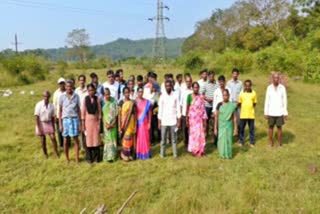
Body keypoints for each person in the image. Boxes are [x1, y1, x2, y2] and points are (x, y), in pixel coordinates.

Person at [59, 81, 82, 163]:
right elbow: (60, 111)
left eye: (70, 86)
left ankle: (76, 158)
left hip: (74, 119)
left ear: (73, 87)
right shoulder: (62, 97)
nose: (69, 88)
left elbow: (79, 110)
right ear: (65, 87)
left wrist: (80, 124)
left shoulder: (76, 96)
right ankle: (67, 158)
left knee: (76, 139)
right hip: (65, 120)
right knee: (65, 140)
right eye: (67, 86)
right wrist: (60, 124)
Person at [264, 72, 288, 147]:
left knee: (279, 128)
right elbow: (266, 100)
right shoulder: (269, 88)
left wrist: (285, 112)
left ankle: (279, 143)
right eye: (275, 77)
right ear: (272, 78)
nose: (276, 79)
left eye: (277, 78)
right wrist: (266, 112)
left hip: (279, 112)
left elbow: (285, 100)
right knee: (270, 127)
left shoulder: (282, 88)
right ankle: (271, 143)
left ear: (279, 79)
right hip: (271, 112)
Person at [158, 80, 181, 158]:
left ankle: (175, 154)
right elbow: (160, 110)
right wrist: (159, 121)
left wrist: (178, 121)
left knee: (174, 140)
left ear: (172, 86)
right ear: (165, 87)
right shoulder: (162, 96)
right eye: (166, 86)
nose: (168, 87)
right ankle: (162, 154)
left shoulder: (175, 95)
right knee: (163, 140)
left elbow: (178, 108)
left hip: (173, 121)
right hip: (164, 121)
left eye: (169, 86)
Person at [34, 91, 59, 159]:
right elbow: (36, 116)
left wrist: (53, 126)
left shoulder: (51, 105)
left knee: (53, 138)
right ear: (43, 96)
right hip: (41, 122)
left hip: (49, 122)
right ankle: (45, 154)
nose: (46, 98)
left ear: (49, 97)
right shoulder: (39, 105)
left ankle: (56, 153)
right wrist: (38, 127)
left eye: (47, 96)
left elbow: (53, 116)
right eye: (45, 96)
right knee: (43, 140)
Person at [214, 89, 237, 159]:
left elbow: (234, 118)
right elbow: (216, 117)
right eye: (224, 95)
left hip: (229, 125)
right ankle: (222, 154)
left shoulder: (232, 106)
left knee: (228, 140)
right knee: (221, 140)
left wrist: (236, 128)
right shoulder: (219, 105)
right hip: (221, 125)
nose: (225, 97)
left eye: (226, 95)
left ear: (229, 96)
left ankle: (228, 154)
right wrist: (215, 128)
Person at [82, 84, 102, 163]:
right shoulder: (85, 99)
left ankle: (97, 158)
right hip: (87, 123)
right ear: (87, 91)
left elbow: (100, 112)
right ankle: (89, 158)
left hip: (95, 122)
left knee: (96, 140)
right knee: (88, 141)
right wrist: (83, 125)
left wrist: (99, 123)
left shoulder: (97, 99)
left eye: (92, 90)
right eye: (89, 90)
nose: (91, 92)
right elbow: (83, 112)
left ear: (94, 90)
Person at [186, 82, 208, 157]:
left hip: (199, 120)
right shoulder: (189, 96)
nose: (196, 89)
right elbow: (187, 108)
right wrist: (187, 120)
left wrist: (204, 121)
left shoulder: (201, 97)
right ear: (192, 88)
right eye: (194, 87)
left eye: (197, 87)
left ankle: (201, 151)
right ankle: (195, 150)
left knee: (200, 135)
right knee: (193, 136)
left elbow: (203, 109)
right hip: (192, 120)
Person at [212, 75, 231, 146]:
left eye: (222, 82)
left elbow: (230, 100)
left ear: (225, 82)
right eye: (220, 82)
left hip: (226, 110)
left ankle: (224, 141)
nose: (221, 83)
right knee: (217, 126)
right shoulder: (216, 91)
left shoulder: (228, 90)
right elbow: (214, 102)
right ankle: (216, 142)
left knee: (225, 126)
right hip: (218, 110)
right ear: (218, 82)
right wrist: (214, 111)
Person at [118, 87, 137, 161]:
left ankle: (130, 154)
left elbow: (135, 114)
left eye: (128, 92)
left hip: (131, 123)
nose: (127, 94)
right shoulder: (121, 102)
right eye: (125, 92)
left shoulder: (132, 102)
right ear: (123, 93)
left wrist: (135, 125)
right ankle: (124, 154)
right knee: (125, 139)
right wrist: (120, 126)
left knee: (131, 139)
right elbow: (119, 115)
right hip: (124, 124)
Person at [238, 80, 257, 147]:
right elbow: (239, 103)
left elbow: (254, 103)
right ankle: (241, 141)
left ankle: (252, 142)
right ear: (244, 86)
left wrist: (250, 108)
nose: (248, 87)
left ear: (250, 85)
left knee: (251, 129)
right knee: (241, 129)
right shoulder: (241, 93)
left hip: (251, 115)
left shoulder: (254, 93)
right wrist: (244, 108)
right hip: (243, 114)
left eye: (249, 85)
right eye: (246, 85)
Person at [102, 88, 118, 162]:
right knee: (107, 140)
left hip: (113, 125)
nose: (107, 96)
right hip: (106, 125)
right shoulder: (102, 102)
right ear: (104, 95)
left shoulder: (114, 102)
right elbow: (102, 115)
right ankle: (108, 156)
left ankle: (113, 156)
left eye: (108, 94)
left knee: (113, 139)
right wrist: (106, 124)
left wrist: (112, 124)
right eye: (106, 94)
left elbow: (116, 114)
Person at [136, 87, 152, 160]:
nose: (140, 93)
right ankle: (139, 153)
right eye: (139, 92)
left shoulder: (146, 102)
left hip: (145, 122)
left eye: (142, 92)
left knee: (145, 137)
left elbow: (149, 112)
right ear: (137, 92)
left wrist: (149, 122)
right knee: (139, 138)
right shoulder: (135, 102)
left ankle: (146, 153)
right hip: (138, 122)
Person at [201, 71, 219, 136]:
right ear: (208, 77)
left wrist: (214, 99)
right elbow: (201, 94)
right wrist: (207, 99)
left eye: (212, 76)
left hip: (215, 106)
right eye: (210, 76)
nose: (211, 78)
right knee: (206, 121)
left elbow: (218, 94)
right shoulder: (205, 84)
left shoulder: (217, 84)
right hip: (207, 105)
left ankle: (215, 135)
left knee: (215, 121)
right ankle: (206, 135)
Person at [227, 68, 243, 134]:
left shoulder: (240, 83)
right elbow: (227, 93)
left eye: (236, 74)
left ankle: (239, 134)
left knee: (239, 119)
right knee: (230, 119)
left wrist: (238, 102)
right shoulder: (228, 83)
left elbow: (242, 93)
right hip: (231, 103)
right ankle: (232, 133)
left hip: (238, 103)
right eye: (234, 74)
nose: (235, 75)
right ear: (232, 74)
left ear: (238, 75)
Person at [75, 75, 88, 152]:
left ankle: (87, 145)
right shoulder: (76, 91)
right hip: (79, 113)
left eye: (83, 80)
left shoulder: (88, 90)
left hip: (87, 113)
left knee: (86, 130)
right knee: (80, 130)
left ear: (85, 81)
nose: (82, 81)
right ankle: (82, 146)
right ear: (78, 81)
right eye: (80, 80)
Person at [53, 77, 67, 148]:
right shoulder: (56, 93)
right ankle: (61, 144)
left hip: (66, 114)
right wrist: (55, 115)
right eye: (60, 84)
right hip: (58, 114)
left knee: (66, 129)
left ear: (65, 83)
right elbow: (54, 105)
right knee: (59, 130)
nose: (61, 85)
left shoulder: (67, 91)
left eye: (63, 83)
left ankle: (68, 144)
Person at [180, 75, 193, 147]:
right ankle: (185, 142)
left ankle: (191, 142)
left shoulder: (193, 91)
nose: (188, 83)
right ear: (185, 82)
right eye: (187, 81)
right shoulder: (183, 92)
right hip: (184, 113)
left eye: (189, 81)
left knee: (191, 129)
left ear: (191, 82)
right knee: (185, 129)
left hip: (192, 114)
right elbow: (181, 104)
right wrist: (181, 114)